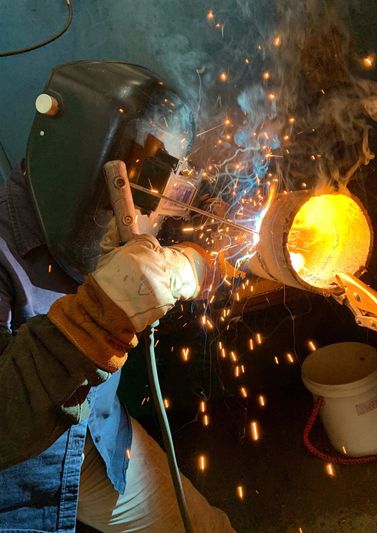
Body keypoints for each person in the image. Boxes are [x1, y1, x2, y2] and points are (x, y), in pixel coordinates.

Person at [0, 61, 235, 532]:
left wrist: (202, 263)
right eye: (145, 171)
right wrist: (94, 317)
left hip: (98, 438)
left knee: (202, 528)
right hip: (18, 469)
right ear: (87, 159)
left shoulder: (123, 209)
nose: (159, 200)